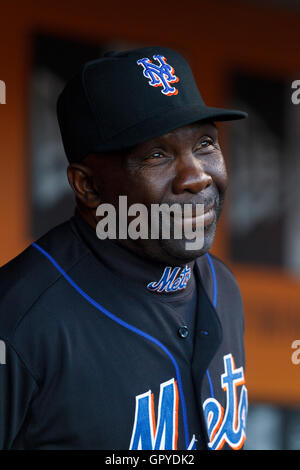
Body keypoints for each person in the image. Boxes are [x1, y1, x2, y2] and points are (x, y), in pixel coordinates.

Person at [0, 46, 248, 450]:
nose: (196, 178)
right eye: (156, 154)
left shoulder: (223, 286)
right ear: (89, 186)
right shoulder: (18, 321)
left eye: (205, 144)